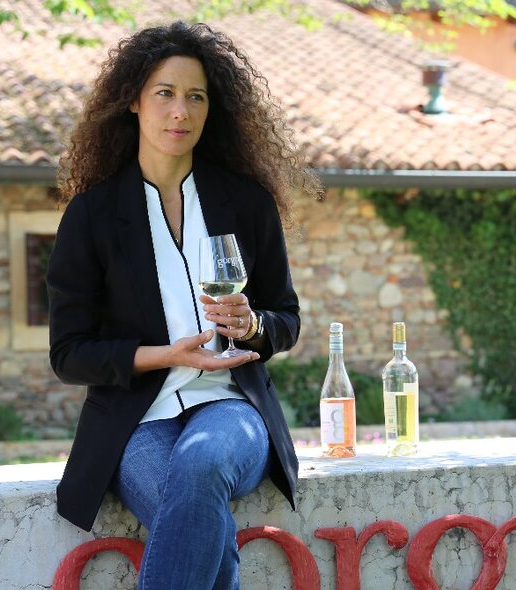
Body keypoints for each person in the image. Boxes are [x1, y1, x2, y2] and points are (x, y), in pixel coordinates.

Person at [46, 21, 321, 589]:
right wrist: (168, 355)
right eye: (165, 93)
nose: (181, 110)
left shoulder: (245, 203)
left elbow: (285, 319)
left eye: (196, 96)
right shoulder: (92, 216)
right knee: (206, 541)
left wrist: (250, 327)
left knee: (199, 464)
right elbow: (69, 354)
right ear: (133, 102)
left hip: (232, 409)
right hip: (136, 421)